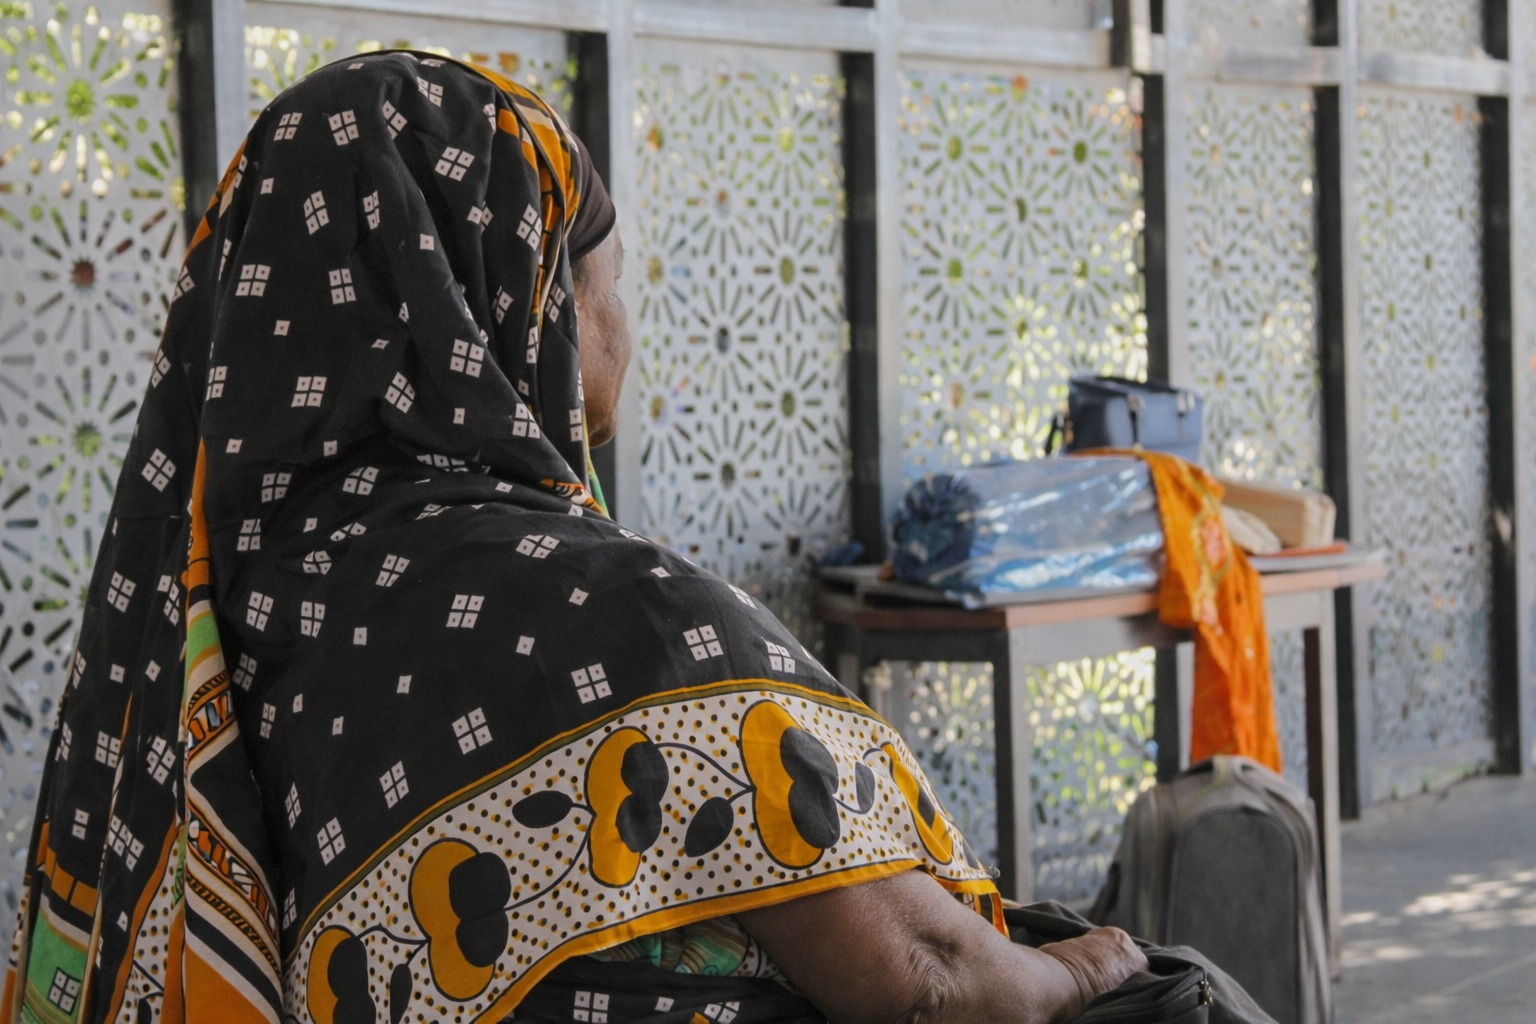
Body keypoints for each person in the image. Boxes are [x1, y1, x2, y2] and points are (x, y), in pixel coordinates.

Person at [1, 51, 1145, 1023]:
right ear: (511, 297)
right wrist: (1084, 965)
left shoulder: (189, 639)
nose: (624, 324)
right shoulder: (629, 627)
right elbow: (941, 986)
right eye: (603, 274)